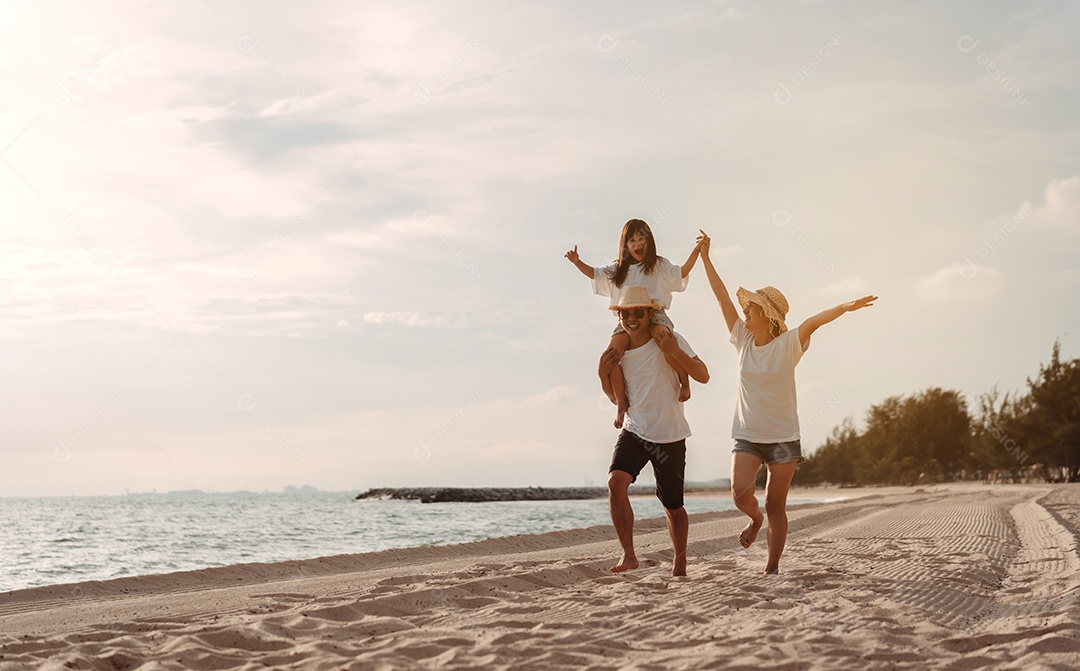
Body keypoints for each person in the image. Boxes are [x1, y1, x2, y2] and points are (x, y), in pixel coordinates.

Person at [696, 230, 877, 574]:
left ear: (767, 314)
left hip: (782, 438)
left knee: (776, 504)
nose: (744, 311)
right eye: (746, 308)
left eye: (750, 308)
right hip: (748, 434)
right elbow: (721, 298)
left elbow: (811, 323)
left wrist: (845, 307)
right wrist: (706, 258)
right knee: (739, 494)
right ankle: (754, 519)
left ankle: (772, 566)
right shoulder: (743, 339)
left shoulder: (789, 344)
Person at [599, 285, 710, 577]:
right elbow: (613, 395)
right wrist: (602, 374)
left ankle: (680, 564)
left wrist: (675, 352)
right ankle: (629, 555)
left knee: (673, 507)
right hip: (635, 430)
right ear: (619, 315)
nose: (631, 319)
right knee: (615, 484)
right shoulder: (617, 351)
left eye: (638, 312)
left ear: (650, 314)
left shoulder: (667, 339)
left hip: (669, 434)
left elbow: (704, 375)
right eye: (625, 313)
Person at [565, 219, 701, 429]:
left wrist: (697, 250)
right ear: (625, 245)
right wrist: (577, 262)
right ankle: (621, 402)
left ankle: (684, 379)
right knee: (611, 356)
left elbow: (681, 272)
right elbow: (596, 274)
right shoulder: (619, 268)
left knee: (663, 341)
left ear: (649, 242)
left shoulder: (657, 264)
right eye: (632, 240)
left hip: (654, 314)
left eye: (641, 239)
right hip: (626, 318)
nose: (637, 244)